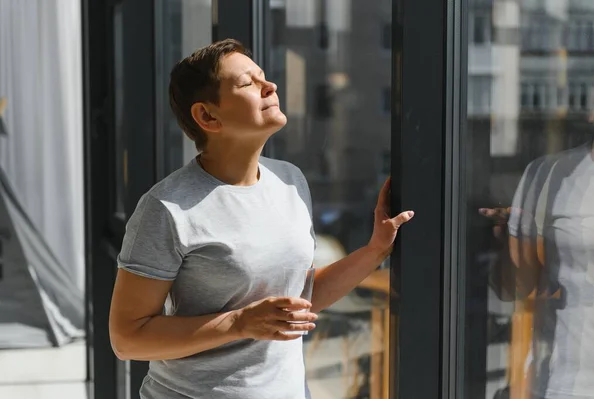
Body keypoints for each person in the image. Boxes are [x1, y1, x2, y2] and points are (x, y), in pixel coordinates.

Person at [108, 39, 414, 399]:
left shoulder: (290, 181)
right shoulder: (166, 208)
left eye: (264, 77)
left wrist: (375, 251)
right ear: (207, 116)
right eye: (247, 83)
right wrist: (239, 323)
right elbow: (127, 340)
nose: (270, 86)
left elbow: (296, 301)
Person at [482, 70, 594, 399]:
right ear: (592, 108)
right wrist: (509, 240)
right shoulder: (548, 176)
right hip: (568, 381)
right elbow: (514, 287)